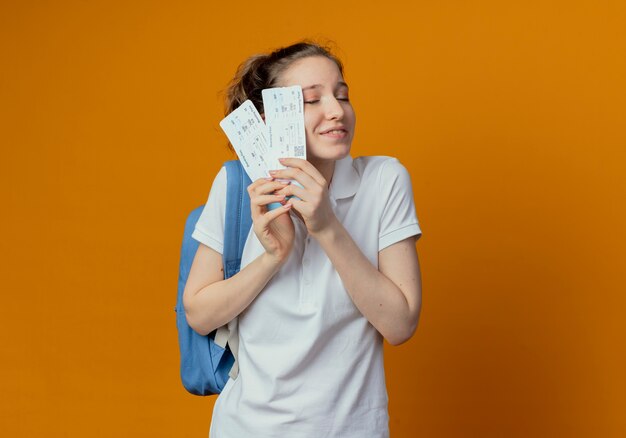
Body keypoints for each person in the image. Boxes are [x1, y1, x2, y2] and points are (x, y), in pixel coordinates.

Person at [183, 41, 422, 438]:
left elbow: (400, 324)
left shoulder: (383, 181)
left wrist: (327, 226)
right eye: (312, 100)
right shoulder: (236, 186)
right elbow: (199, 314)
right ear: (267, 119)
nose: (336, 110)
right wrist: (273, 257)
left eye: (341, 95)